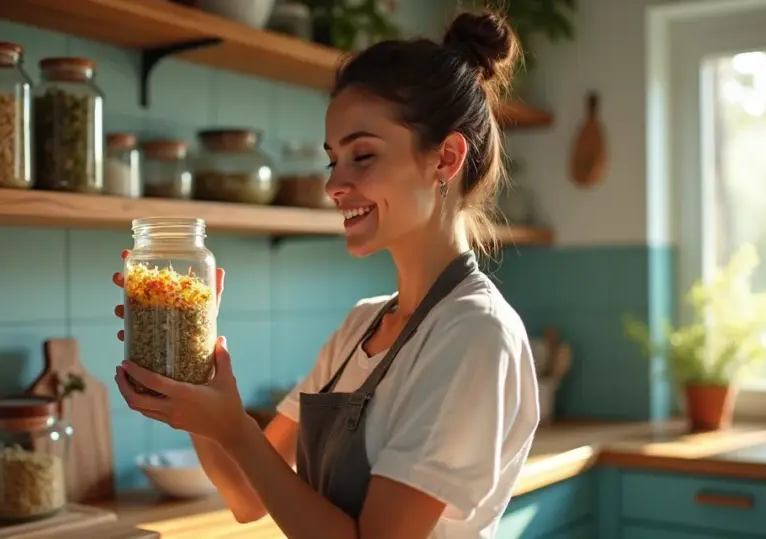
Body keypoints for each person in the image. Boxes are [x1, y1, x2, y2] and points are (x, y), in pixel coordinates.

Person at [111, 9, 540, 538]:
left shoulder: (475, 333)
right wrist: (187, 357)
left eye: (362, 155)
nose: (335, 183)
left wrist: (236, 429)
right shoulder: (361, 327)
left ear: (446, 159)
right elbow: (247, 497)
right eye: (332, 159)